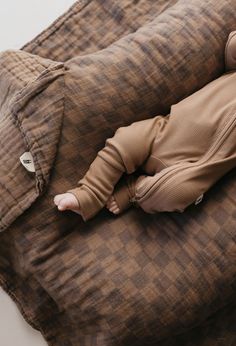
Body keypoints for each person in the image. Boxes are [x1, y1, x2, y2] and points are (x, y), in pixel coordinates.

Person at [54, 31, 236, 222]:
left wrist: (134, 192)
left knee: (177, 194)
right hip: (165, 130)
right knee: (125, 141)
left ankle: (134, 191)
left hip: (194, 168)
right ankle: (90, 192)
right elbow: (232, 49)